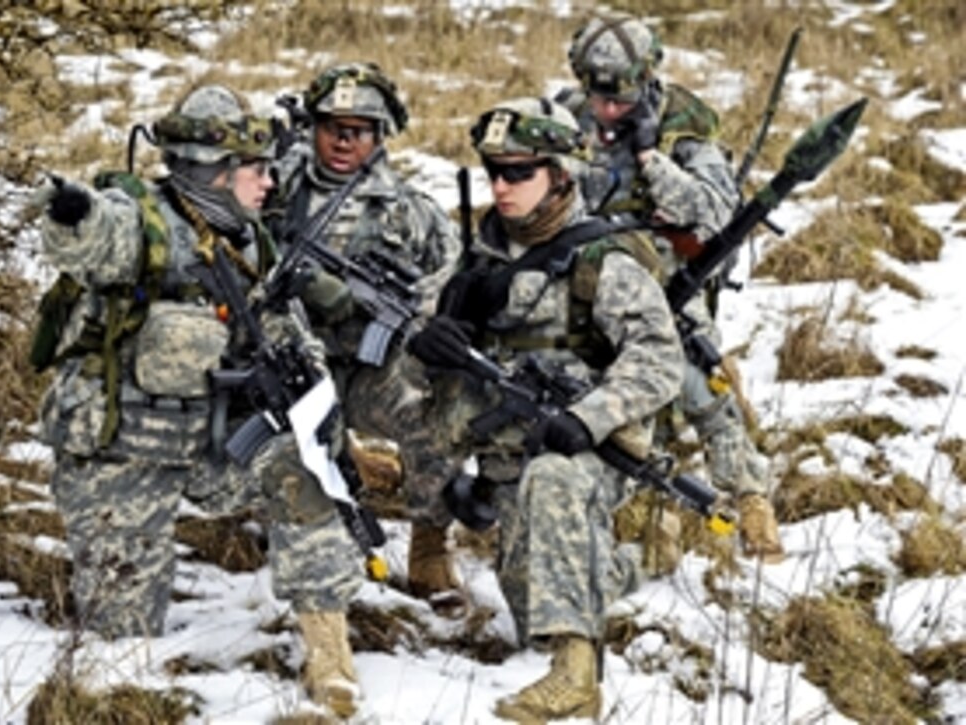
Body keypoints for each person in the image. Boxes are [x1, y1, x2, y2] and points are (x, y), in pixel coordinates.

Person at [33, 85, 365, 716]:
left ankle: (330, 655)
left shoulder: (251, 242)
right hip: (122, 456)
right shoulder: (144, 224)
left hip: (213, 445)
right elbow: (90, 237)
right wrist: (70, 213)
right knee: (121, 634)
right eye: (256, 170)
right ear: (215, 174)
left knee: (309, 474)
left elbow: (290, 332)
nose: (269, 182)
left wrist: (315, 407)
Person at [407, 97, 685, 722]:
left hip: (582, 451)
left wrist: (586, 418)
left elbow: (659, 361)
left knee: (553, 480)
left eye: (520, 173)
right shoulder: (475, 254)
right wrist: (428, 339)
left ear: (560, 173)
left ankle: (577, 678)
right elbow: (416, 328)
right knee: (533, 614)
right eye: (494, 173)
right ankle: (638, 557)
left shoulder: (602, 259)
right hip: (503, 459)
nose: (502, 187)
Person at [557, 13, 784, 563]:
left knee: (700, 378)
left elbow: (713, 210)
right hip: (583, 270)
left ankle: (750, 496)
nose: (608, 111)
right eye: (599, 98)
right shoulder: (563, 115)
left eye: (621, 99)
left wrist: (651, 159)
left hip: (663, 274)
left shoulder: (684, 120)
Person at [264, 62, 465, 613]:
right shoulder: (275, 190)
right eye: (333, 126)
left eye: (360, 128)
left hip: (370, 366)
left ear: (380, 135)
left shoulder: (409, 211)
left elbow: (455, 280)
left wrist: (408, 316)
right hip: (293, 363)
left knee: (432, 415)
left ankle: (429, 544)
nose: (345, 140)